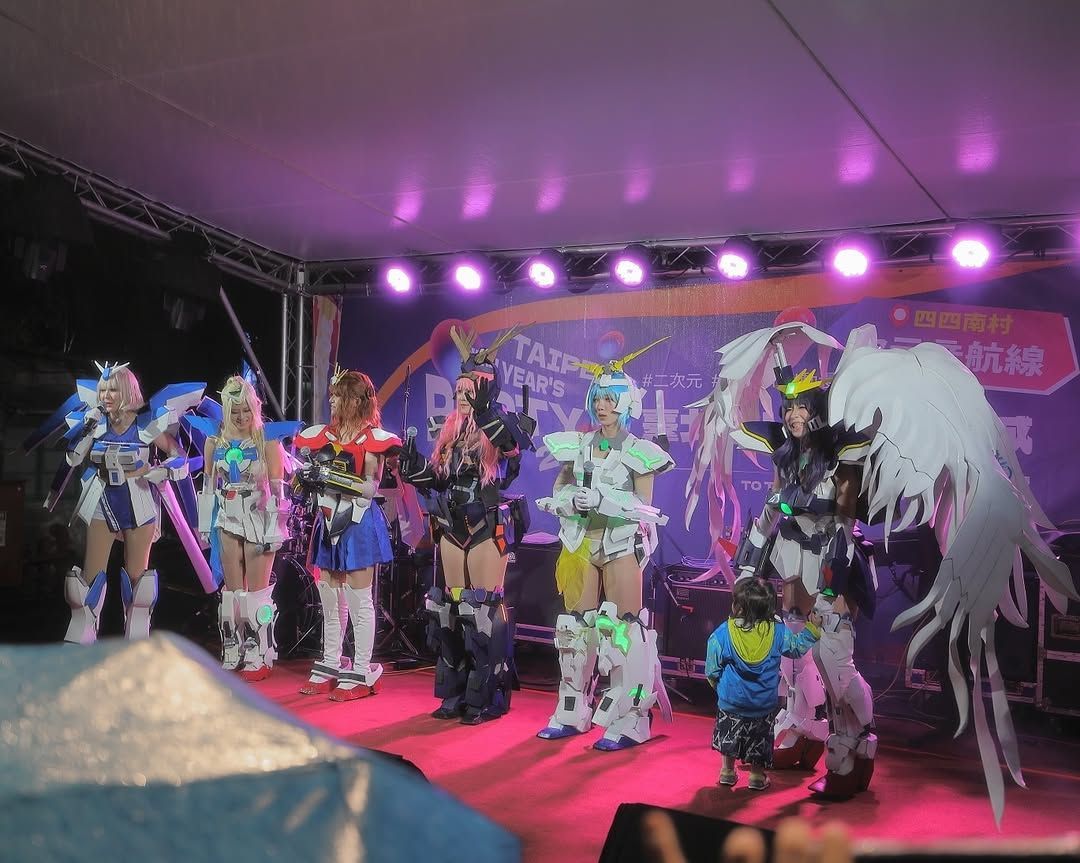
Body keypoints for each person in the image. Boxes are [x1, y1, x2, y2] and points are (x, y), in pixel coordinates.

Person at [536, 337, 674, 750]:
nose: (603, 406)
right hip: (581, 542)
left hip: (619, 543)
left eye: (611, 399)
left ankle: (632, 718)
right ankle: (572, 710)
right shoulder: (578, 445)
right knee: (574, 631)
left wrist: (603, 499)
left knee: (622, 630)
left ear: (626, 402)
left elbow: (645, 508)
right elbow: (560, 486)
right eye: (598, 398)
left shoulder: (640, 452)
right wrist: (565, 501)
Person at [399, 324, 534, 724]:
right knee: (449, 608)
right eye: (458, 390)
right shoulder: (450, 432)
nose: (460, 396)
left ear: (486, 390)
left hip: (486, 527)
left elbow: (511, 453)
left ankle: (487, 695)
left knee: (483, 610)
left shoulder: (506, 425)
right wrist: (416, 469)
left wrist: (486, 411)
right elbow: (439, 479)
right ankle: (455, 692)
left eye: (468, 390)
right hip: (452, 528)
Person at [24, 362, 205, 642]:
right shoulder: (95, 424)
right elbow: (73, 458)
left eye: (113, 390)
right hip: (102, 498)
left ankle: (136, 639)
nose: (106, 396)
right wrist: (86, 430)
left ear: (127, 391)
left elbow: (179, 455)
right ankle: (83, 635)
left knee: (138, 582)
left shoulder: (147, 425)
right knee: (88, 578)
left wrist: (164, 470)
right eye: (103, 390)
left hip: (138, 498)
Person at [294, 367, 401, 700]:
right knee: (328, 593)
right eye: (333, 396)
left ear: (356, 400)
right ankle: (330, 660)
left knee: (358, 599)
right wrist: (307, 479)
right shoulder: (323, 435)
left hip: (357, 521)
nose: (333, 402)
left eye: (340, 396)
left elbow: (370, 487)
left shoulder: (372, 439)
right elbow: (305, 474)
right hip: (327, 518)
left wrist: (332, 478)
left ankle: (362, 668)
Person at [190, 375, 300, 680]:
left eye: (246, 410)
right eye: (235, 411)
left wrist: (275, 527)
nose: (241, 416)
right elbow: (208, 485)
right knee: (232, 594)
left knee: (257, 594)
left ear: (255, 407)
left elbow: (278, 488)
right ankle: (232, 646)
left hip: (259, 517)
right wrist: (203, 524)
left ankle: (259, 651)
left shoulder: (267, 439)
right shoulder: (215, 440)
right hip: (227, 517)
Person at [706, 577, 821, 791]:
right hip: (762, 705)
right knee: (759, 741)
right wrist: (812, 629)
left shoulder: (722, 633)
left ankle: (727, 772)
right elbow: (796, 648)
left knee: (729, 737)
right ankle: (757, 776)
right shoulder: (777, 632)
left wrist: (719, 688)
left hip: (731, 702)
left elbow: (712, 669)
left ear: (738, 606)